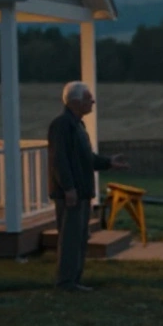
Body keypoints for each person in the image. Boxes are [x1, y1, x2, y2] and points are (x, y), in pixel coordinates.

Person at [47, 81, 128, 291]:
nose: (92, 101)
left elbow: (86, 158)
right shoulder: (62, 125)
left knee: (80, 237)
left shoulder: (78, 125)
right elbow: (59, 159)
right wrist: (68, 188)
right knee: (70, 238)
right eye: (87, 98)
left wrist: (109, 162)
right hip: (71, 194)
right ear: (75, 101)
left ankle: (74, 280)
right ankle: (66, 282)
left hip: (81, 192)